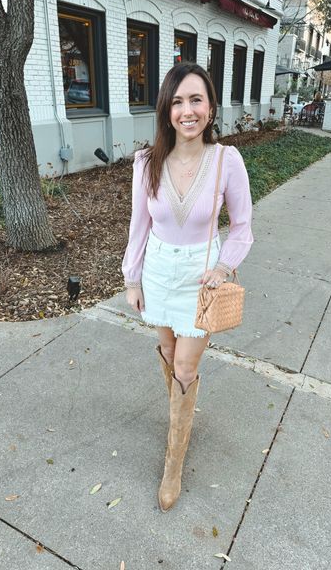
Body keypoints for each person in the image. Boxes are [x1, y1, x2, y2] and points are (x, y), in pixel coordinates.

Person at [122, 62, 253, 512]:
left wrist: (223, 267)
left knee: (185, 366)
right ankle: (180, 422)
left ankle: (173, 465)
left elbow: (242, 228)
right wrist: (132, 277)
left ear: (211, 109)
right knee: (166, 355)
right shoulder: (147, 162)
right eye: (177, 101)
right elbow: (139, 226)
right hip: (158, 275)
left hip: (200, 283)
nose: (187, 110)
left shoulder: (226, 161)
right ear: (167, 110)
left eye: (196, 99)